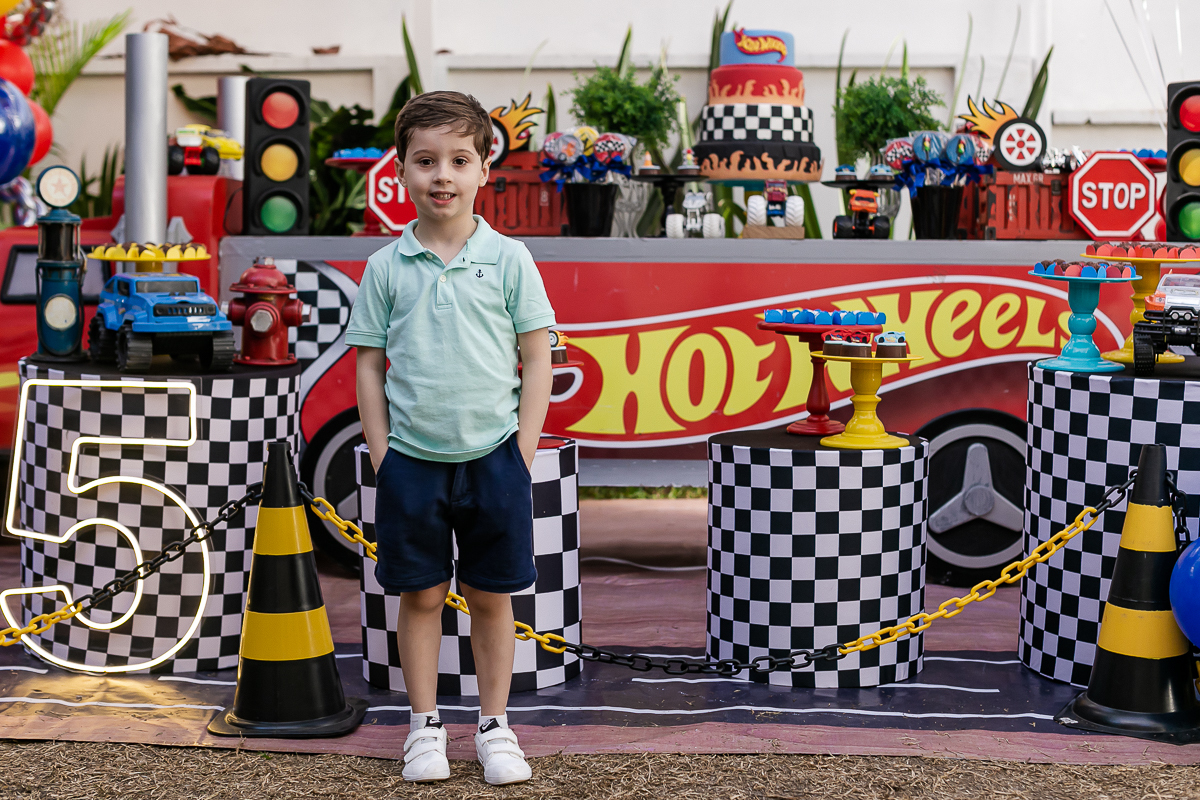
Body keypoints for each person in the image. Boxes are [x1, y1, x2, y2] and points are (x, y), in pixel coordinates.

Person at [345, 90, 555, 786]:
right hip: (413, 462)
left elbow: (537, 357)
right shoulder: (384, 268)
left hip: (494, 457)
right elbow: (370, 365)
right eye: (426, 160)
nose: (443, 174)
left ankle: (495, 726)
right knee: (423, 596)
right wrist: (383, 453)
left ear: (484, 169)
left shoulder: (511, 259)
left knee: (494, 597)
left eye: (459, 160)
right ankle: (424, 725)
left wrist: (520, 452)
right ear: (400, 171)